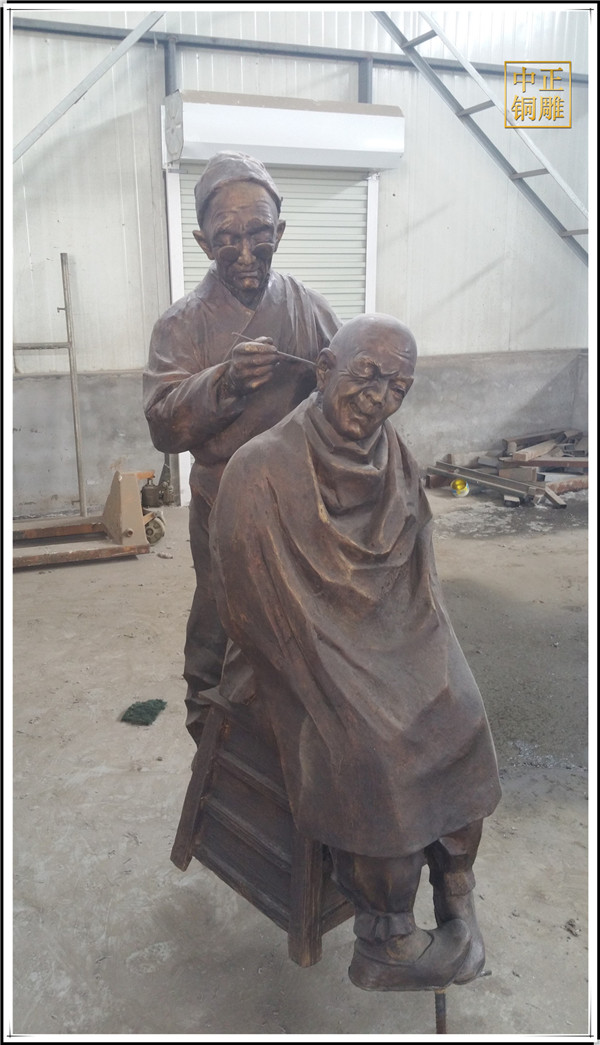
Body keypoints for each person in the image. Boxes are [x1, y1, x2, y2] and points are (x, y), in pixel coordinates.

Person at [209, 313, 502, 992]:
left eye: (397, 387)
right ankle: (384, 933)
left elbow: (421, 576)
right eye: (367, 375)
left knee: (461, 711)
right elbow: (247, 606)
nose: (378, 398)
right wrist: (339, 673)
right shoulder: (261, 467)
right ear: (325, 369)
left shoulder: (393, 452)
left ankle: (455, 887)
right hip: (298, 643)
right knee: (374, 741)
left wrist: (424, 648)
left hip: (388, 631)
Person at [143, 152, 340, 743]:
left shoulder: (309, 308)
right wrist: (223, 383)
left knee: (306, 633)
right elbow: (163, 427)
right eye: (228, 239)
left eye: (260, 234)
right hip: (223, 507)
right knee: (223, 627)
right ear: (204, 243)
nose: (247, 253)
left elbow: (341, 390)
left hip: (302, 504)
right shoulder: (181, 325)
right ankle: (215, 746)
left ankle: (298, 750)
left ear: (280, 231)